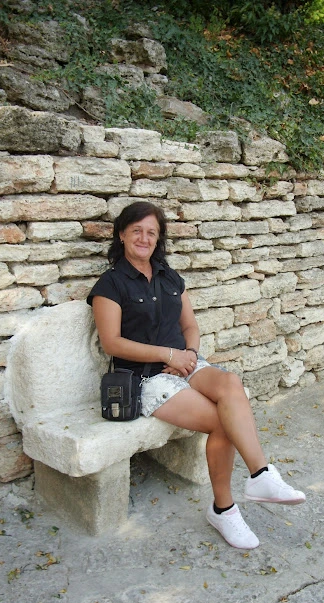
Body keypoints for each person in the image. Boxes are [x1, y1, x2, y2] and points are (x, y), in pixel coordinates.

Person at [87, 201, 305, 550]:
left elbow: (190, 325)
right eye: (137, 231)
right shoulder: (110, 285)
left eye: (152, 232)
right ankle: (224, 509)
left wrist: (186, 355)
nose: (144, 238)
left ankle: (262, 475)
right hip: (146, 379)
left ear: (159, 239)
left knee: (231, 383)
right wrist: (167, 355)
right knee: (223, 420)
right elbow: (113, 343)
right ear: (122, 234)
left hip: (185, 363)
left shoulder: (170, 277)